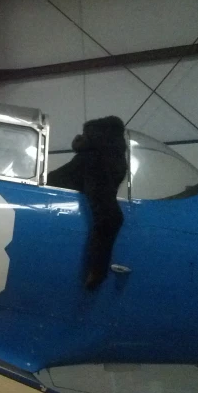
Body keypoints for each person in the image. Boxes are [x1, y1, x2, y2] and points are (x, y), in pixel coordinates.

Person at [47, 115, 127, 290]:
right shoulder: (104, 159)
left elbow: (108, 215)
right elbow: (110, 216)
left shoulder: (92, 158)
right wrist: (98, 270)